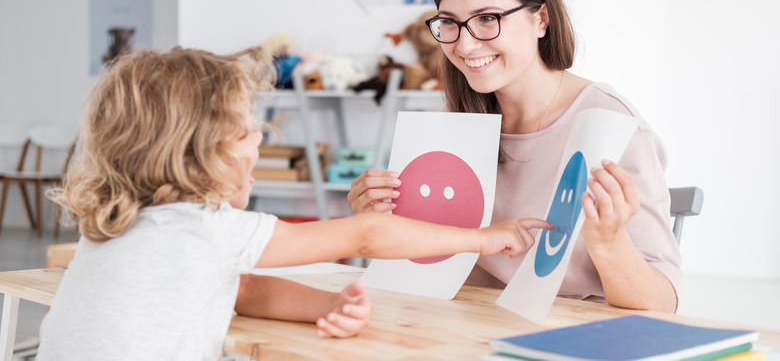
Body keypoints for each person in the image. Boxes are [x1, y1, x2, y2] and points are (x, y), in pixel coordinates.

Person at [36, 46, 550, 360]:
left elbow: (243, 291)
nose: (259, 140)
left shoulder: (117, 225)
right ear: (197, 154)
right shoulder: (201, 228)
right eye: (245, 131)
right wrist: (484, 237)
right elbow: (366, 233)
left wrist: (325, 305)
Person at [348, 0, 682, 313]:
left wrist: (608, 241)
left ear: (541, 19)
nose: (464, 43)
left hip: (571, 334)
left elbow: (662, 303)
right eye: (449, 22)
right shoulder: (455, 121)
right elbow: (420, 262)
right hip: (466, 327)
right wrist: (377, 219)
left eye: (488, 18)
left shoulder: (612, 127)